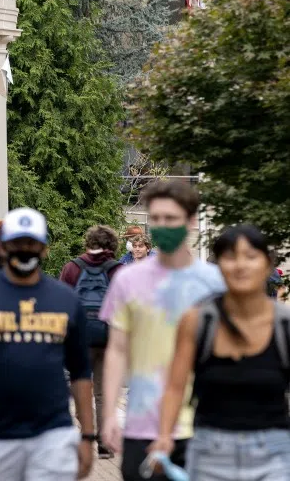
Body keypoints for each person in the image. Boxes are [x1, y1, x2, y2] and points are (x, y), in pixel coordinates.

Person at [0, 207, 95, 481]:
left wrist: (87, 435)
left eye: (32, 243)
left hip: (54, 434)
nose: (24, 250)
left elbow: (81, 372)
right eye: (17, 243)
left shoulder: (65, 300)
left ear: (44, 249)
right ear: (2, 247)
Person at [100, 180, 225, 481]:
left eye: (170, 219)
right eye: (155, 219)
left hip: (204, 425)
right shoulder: (126, 280)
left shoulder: (215, 283)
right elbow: (116, 350)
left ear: (191, 221)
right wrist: (108, 416)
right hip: (142, 425)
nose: (162, 226)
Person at [151, 225, 290, 480]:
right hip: (208, 453)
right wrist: (163, 437)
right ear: (218, 265)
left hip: (275, 454)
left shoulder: (284, 324)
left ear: (268, 264)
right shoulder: (197, 320)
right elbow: (174, 386)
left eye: (250, 256)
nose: (240, 265)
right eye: (230, 256)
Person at [59, 225, 122, 460]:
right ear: (112, 246)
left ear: (89, 242)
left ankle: (88, 430)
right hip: (110, 339)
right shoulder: (117, 270)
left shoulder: (72, 267)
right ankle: (105, 443)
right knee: (104, 391)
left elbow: (62, 302)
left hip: (79, 338)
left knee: (80, 387)